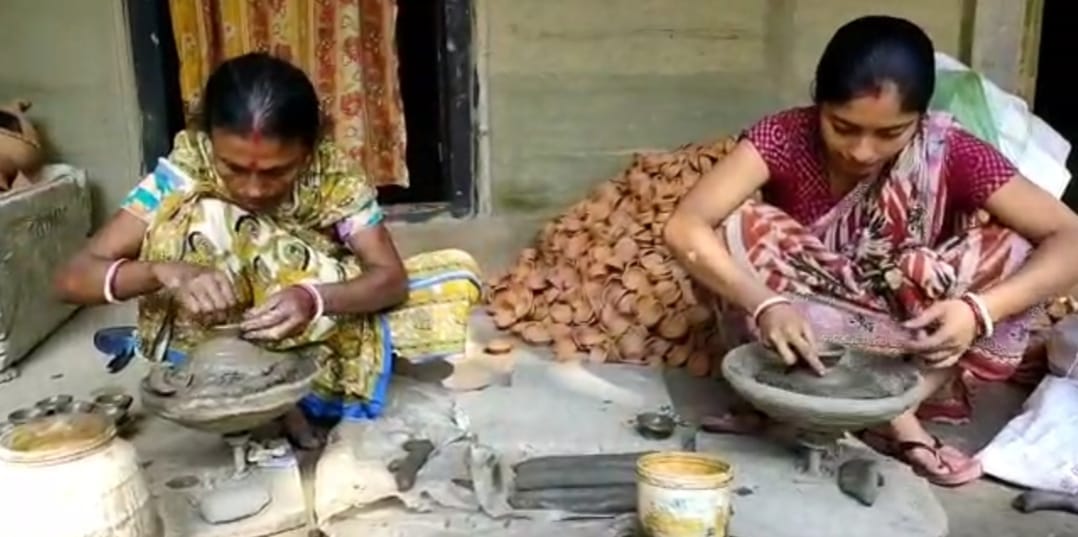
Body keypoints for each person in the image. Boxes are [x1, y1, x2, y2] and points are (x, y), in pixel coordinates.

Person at [664, 15, 1078, 487]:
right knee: (743, 228)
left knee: (1019, 247)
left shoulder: (952, 151)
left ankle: (894, 405)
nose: (861, 151)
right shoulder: (784, 137)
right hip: (809, 318)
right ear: (817, 102)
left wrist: (978, 311)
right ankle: (858, 411)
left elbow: (1070, 236)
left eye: (890, 133)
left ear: (920, 119)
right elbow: (686, 224)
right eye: (843, 127)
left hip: (919, 330)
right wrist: (766, 302)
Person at [53, 52, 481, 447]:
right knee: (200, 217)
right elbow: (72, 278)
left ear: (309, 151)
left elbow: (389, 278)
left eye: (278, 171)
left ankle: (292, 391)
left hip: (309, 326)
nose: (253, 189)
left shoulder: (333, 177)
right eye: (233, 168)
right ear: (209, 144)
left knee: (450, 282)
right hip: (219, 328)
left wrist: (313, 299)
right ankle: (237, 379)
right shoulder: (187, 169)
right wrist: (162, 271)